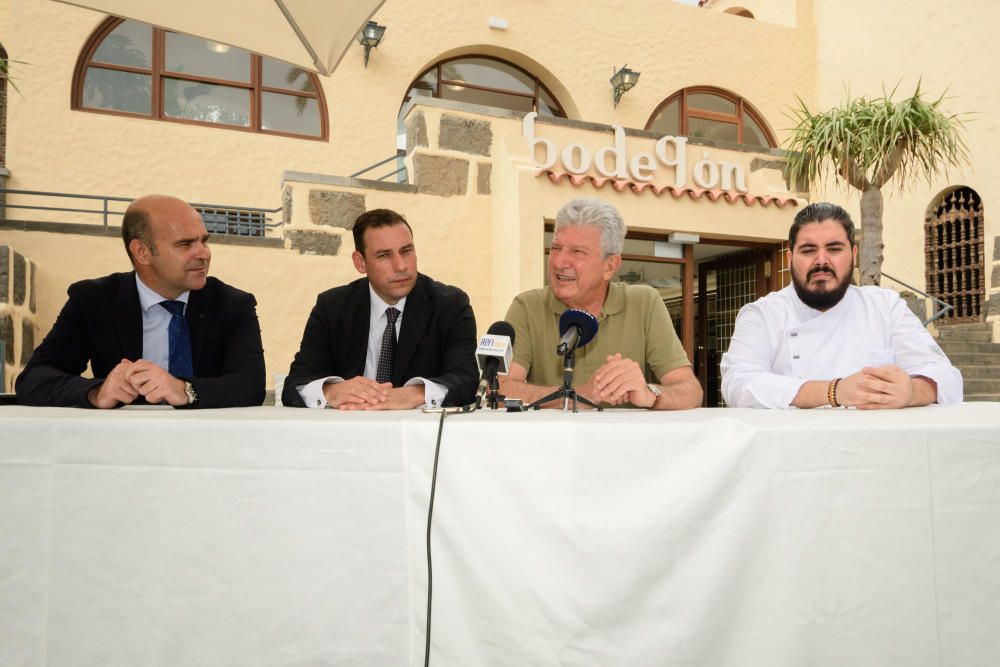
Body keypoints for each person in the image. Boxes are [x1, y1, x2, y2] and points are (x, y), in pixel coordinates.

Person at [16, 194, 266, 408]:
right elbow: (34, 380)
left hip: (207, 448)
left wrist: (184, 389)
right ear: (142, 252)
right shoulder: (93, 301)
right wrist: (97, 392)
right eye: (185, 244)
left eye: (204, 240)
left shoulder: (233, 304)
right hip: (120, 450)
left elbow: (250, 385)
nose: (203, 254)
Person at [720, 202, 963, 409]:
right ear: (790, 258)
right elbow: (737, 385)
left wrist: (911, 391)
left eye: (834, 249)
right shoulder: (762, 315)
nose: (821, 261)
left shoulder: (884, 306)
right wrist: (834, 392)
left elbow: (947, 377)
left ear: (854, 255)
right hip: (792, 454)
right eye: (808, 250)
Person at [500, 198, 702, 410]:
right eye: (556, 248)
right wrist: (578, 395)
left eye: (577, 252)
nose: (559, 262)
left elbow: (691, 392)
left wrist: (649, 394)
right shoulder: (526, 306)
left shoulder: (644, 303)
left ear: (610, 266)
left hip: (629, 443)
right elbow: (500, 389)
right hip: (554, 442)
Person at [282, 208, 478, 409]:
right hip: (348, 430)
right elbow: (295, 385)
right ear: (360, 262)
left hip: (417, 434)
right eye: (384, 255)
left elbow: (466, 380)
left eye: (406, 251)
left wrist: (413, 394)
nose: (401, 265)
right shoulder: (332, 308)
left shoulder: (450, 305)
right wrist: (331, 391)